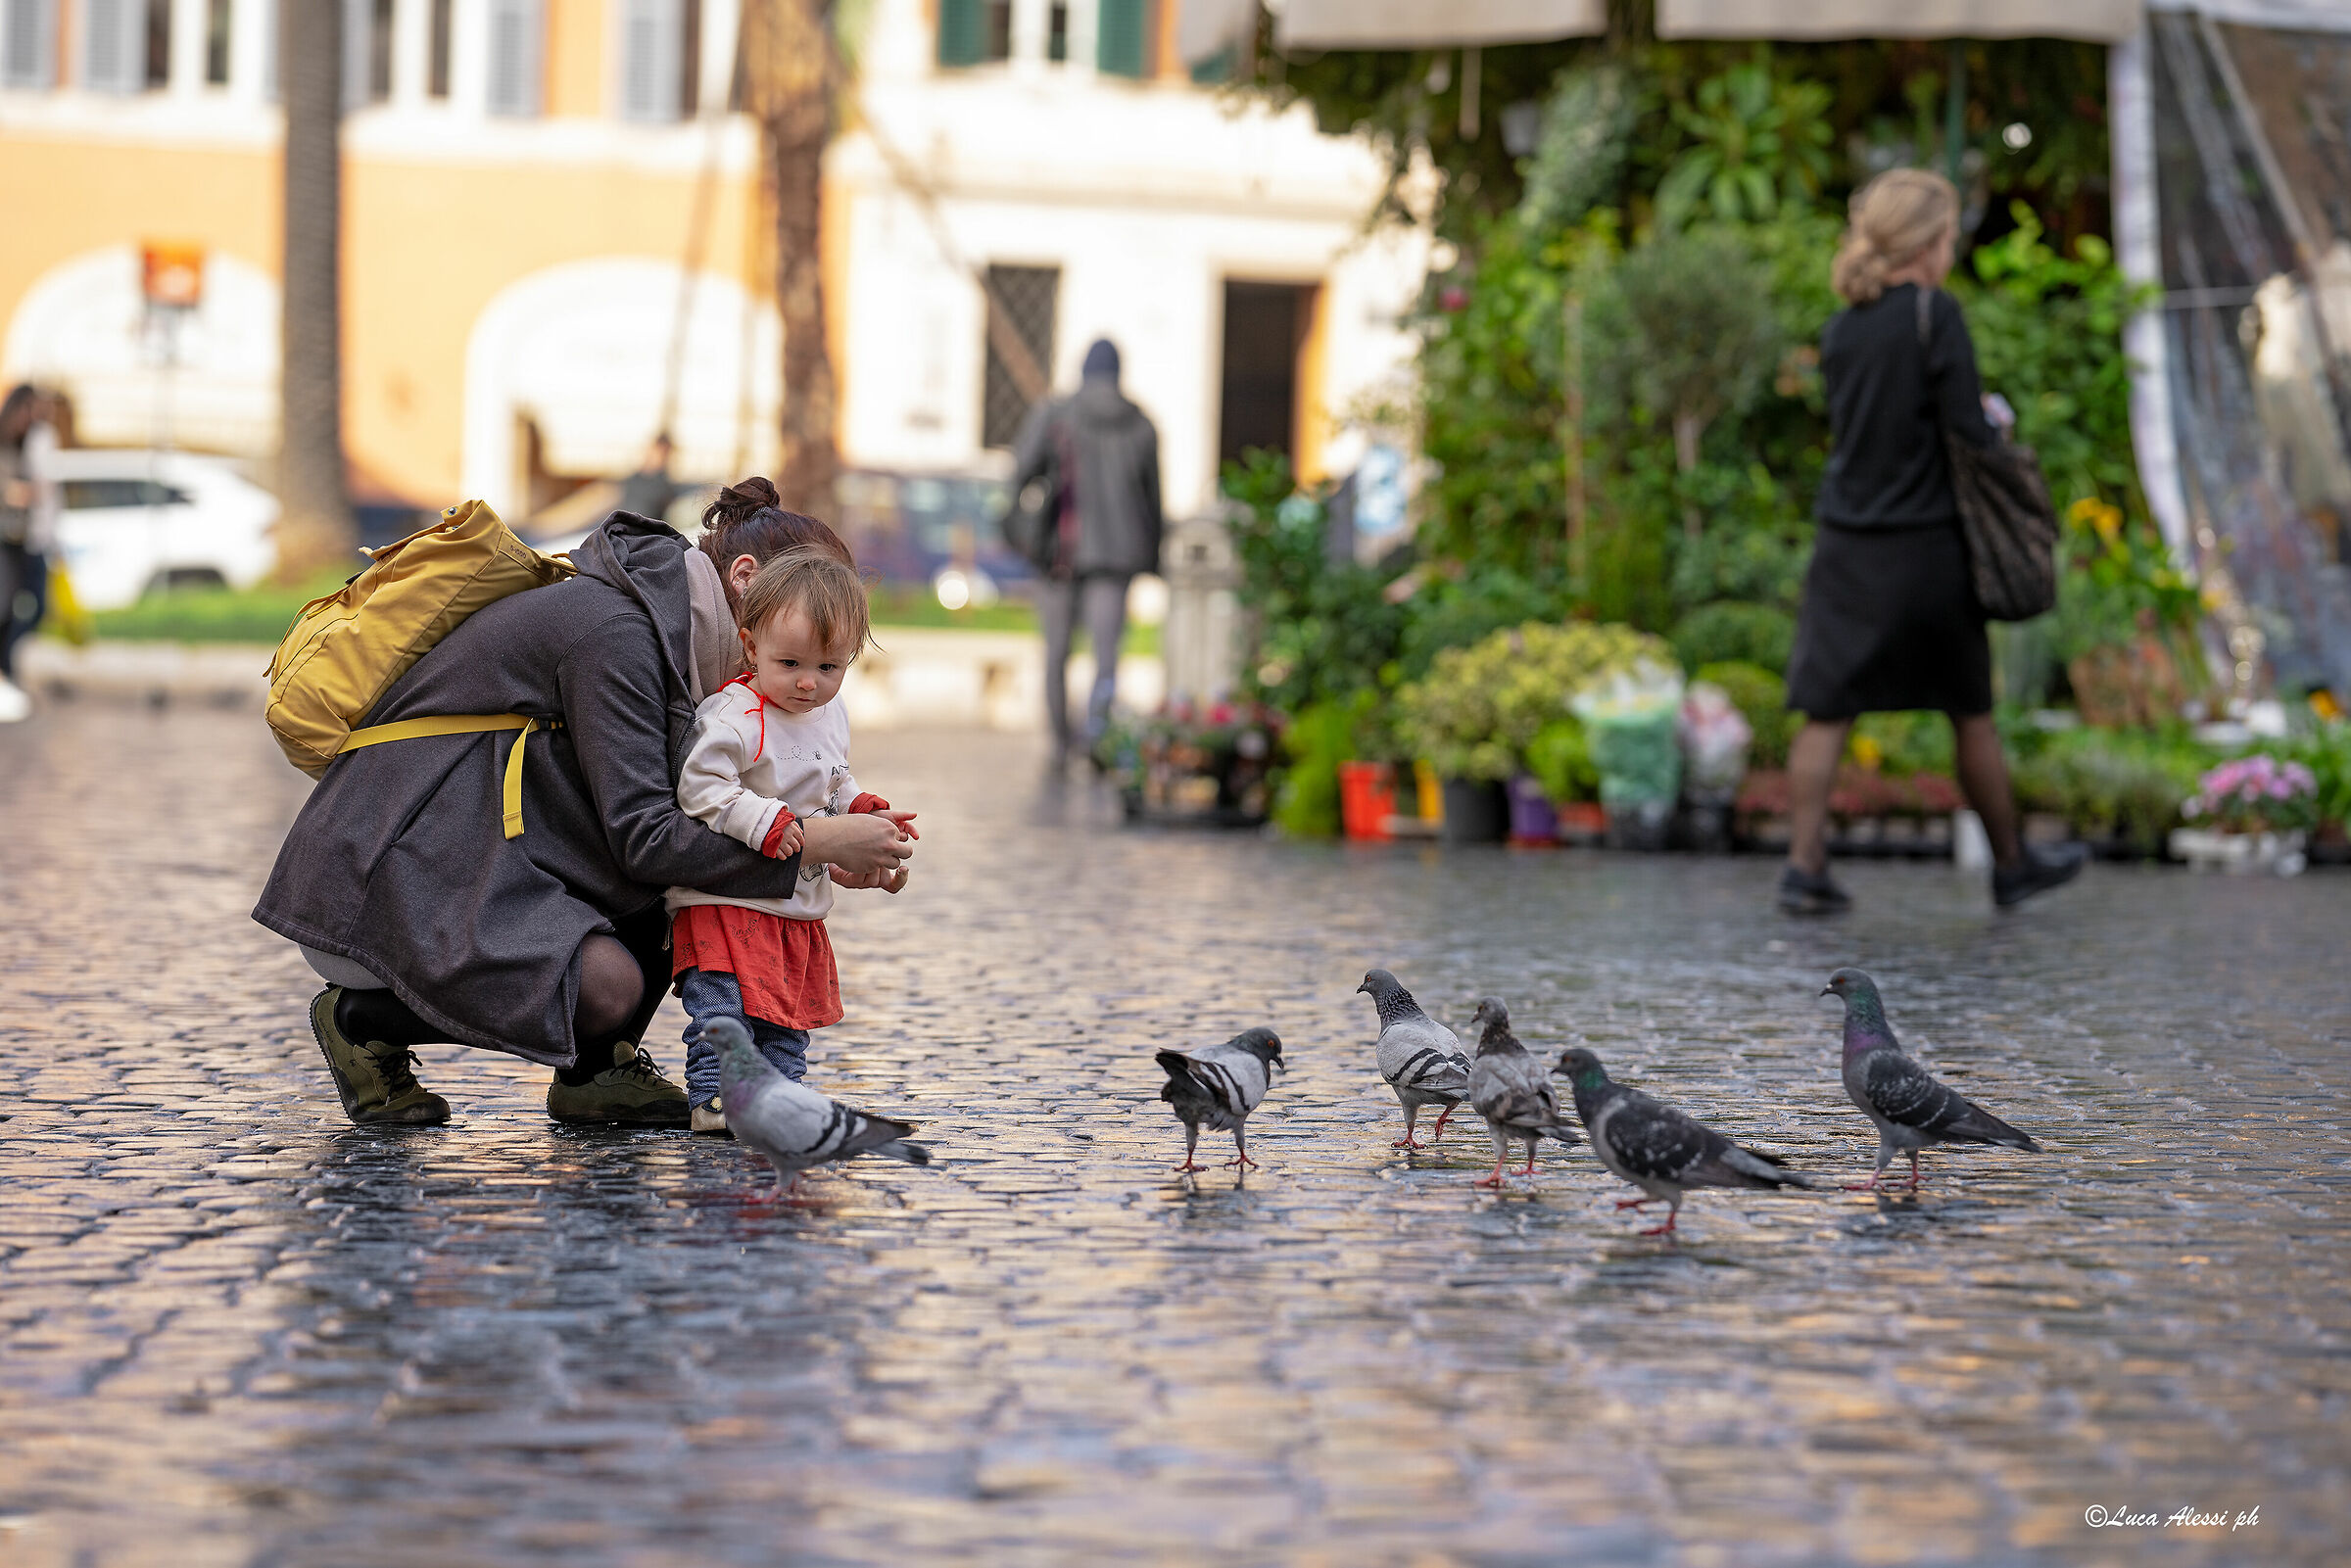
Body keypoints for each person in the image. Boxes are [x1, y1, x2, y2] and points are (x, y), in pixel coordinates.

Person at [253, 478, 915, 1125]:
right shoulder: (619, 635)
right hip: (380, 884)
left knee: (692, 887)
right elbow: (647, 839)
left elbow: (707, 812)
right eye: (806, 612)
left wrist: (837, 833)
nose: (817, 651)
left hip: (470, 859)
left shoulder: (675, 640)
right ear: (744, 577)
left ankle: (594, 1072)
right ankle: (359, 1021)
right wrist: (813, 848)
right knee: (608, 984)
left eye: (832, 648)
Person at [1780, 169, 2085, 915]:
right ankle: (2011, 865)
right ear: (1926, 242)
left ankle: (1803, 866)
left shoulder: (1843, 325)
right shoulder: (1933, 313)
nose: (1952, 250)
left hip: (1849, 541)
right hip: (1927, 547)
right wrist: (1996, 419)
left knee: (1826, 710)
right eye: (1949, 236)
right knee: (1968, 710)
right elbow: (1969, 432)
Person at [669, 546, 918, 1132]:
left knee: (783, 1015)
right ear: (751, 647)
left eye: (829, 668)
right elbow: (700, 787)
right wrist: (769, 822)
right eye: (791, 664)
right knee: (724, 1010)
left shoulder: (829, 716)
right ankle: (715, 1097)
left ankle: (777, 1097)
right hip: (725, 900)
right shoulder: (733, 715)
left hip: (793, 903)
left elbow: (831, 777)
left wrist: (857, 807)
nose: (809, 683)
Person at [1008, 338, 1164, 761]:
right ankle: (1097, 739)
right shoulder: (1142, 424)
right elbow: (1153, 501)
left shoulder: (1056, 414)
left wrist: (1017, 530)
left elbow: (1020, 475)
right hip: (1117, 559)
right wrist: (1152, 557)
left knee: (1057, 651)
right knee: (1107, 655)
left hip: (1060, 553)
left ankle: (1061, 742)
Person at [0, 384, 60, 725]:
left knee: (31, 607)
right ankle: (5, 672)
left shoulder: (34, 439)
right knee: (5, 605)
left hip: (26, 539)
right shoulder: (6, 440)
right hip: (6, 538)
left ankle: (6, 668)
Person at [617, 432, 683, 523]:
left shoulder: (665, 485)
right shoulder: (632, 479)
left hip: (645, 530)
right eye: (661, 453)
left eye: (666, 454)